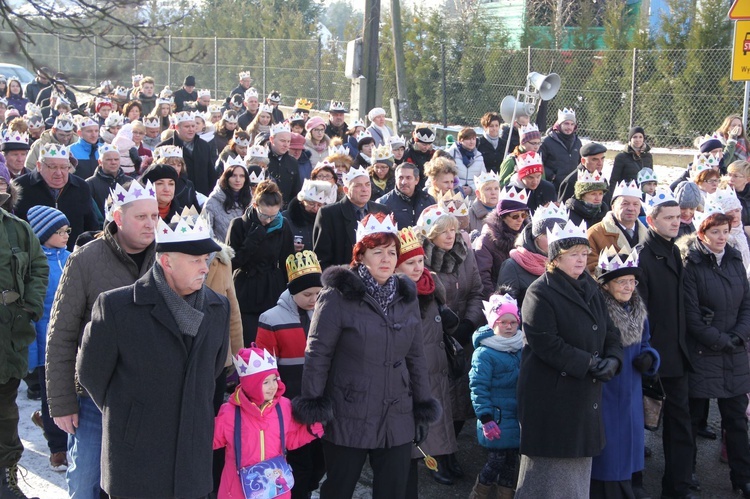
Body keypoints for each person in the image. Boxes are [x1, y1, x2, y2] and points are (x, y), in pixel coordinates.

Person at [77, 214, 229, 498]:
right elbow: (92, 374)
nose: (205, 267)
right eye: (195, 260)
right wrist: (131, 415)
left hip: (191, 461)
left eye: (206, 258)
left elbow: (214, 370)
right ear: (166, 261)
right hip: (136, 460)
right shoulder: (116, 307)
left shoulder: (218, 306)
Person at [293, 212, 441, 499]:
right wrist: (314, 405)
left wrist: (422, 406)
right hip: (349, 410)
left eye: (391, 252)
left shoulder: (405, 294)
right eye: (377, 252)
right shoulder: (337, 296)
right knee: (339, 488)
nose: (386, 259)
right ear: (360, 256)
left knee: (393, 491)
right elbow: (318, 353)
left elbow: (416, 356)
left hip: (397, 411)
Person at [46, 181, 158, 498]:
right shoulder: (84, 261)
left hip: (149, 399)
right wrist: (63, 401)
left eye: (154, 216)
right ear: (118, 219)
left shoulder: (167, 258)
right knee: (85, 483)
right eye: (141, 217)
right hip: (94, 399)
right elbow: (62, 337)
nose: (151, 224)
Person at [514, 218, 623, 498]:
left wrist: (613, 359)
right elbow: (545, 342)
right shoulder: (540, 291)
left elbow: (609, 330)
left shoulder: (589, 287)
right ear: (556, 258)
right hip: (553, 397)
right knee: (548, 476)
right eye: (573, 254)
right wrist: (588, 363)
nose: (580, 259)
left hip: (583, 393)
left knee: (576, 475)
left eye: (584, 253)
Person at [678, 211, 750, 498]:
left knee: (735, 419)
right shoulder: (690, 264)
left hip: (733, 350)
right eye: (715, 232)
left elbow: (746, 304)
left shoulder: (734, 260)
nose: (721, 237)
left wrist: (738, 336)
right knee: (693, 417)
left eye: (725, 231)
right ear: (702, 234)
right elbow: (691, 315)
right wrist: (721, 340)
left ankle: (742, 476)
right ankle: (689, 473)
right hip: (702, 351)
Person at [637, 191, 697, 499]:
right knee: (638, 425)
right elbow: (639, 312)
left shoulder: (673, 251)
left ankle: (678, 487)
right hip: (653, 356)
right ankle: (631, 486)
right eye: (669, 218)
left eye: (679, 217)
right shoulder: (642, 256)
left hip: (676, 353)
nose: (677, 222)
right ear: (652, 221)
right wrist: (647, 353)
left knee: (680, 425)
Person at [416, 204, 484, 478]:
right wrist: (445, 326)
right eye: (443, 230)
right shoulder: (420, 258)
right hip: (432, 338)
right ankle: (436, 456)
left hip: (461, 338)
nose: (450, 235)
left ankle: (450, 451)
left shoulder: (465, 255)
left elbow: (476, 292)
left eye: (454, 229)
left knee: (458, 399)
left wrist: (468, 324)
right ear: (430, 233)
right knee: (437, 397)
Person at [591, 246, 661, 499]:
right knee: (608, 450)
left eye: (632, 281)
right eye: (621, 281)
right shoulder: (598, 310)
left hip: (631, 388)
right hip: (606, 388)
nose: (628, 287)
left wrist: (649, 357)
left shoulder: (637, 310)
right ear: (606, 285)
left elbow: (647, 343)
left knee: (629, 446)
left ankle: (628, 486)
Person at [256, 252, 326, 499]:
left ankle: (306, 489)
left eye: (318, 294)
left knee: (320, 462)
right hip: (290, 404)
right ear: (292, 291)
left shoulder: (325, 313)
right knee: (300, 463)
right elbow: (264, 366)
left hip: (321, 402)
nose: (313, 299)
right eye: (307, 294)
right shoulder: (272, 318)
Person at [392, 226, 459, 491]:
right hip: (413, 367)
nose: (418, 267)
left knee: (438, 418)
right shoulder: (395, 292)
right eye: (410, 263)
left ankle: (440, 458)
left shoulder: (431, 283)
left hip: (436, 361)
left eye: (421, 260)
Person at [213, 347, 323, 499]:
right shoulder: (230, 413)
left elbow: (290, 439)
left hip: (275, 488)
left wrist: (311, 430)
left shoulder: (284, 407)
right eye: (265, 382)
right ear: (251, 385)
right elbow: (210, 439)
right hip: (238, 489)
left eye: (274, 380)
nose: (273, 386)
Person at [0, 190, 48, 499]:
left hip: (8, 335)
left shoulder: (18, 228)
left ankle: (6, 479)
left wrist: (29, 307)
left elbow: (38, 267)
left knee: (5, 410)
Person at [25, 205, 71, 473]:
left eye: (67, 230)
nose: (65, 235)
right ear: (42, 234)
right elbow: (34, 312)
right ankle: (58, 448)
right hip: (46, 342)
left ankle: (57, 428)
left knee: (71, 392)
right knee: (52, 395)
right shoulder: (35, 264)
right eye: (58, 231)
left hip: (72, 340)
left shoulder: (72, 257)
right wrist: (32, 354)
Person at [469, 292, 523, 499]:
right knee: (495, 461)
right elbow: (478, 386)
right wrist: (485, 417)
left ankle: (506, 494)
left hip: (516, 416)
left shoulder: (520, 347)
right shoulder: (485, 353)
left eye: (513, 322)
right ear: (493, 323)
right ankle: (479, 492)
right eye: (503, 322)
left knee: (511, 463)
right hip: (496, 418)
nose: (509, 326)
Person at [227, 180, 294, 344]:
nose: (269, 220)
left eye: (274, 215)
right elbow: (231, 263)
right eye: (265, 215)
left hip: (272, 286)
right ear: (255, 205)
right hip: (246, 287)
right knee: (248, 338)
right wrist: (253, 239)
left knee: (271, 339)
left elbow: (287, 261)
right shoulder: (238, 225)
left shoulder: (282, 225)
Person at [13, 143, 99, 251]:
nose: (59, 173)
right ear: (39, 166)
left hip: (74, 257)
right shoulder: (20, 187)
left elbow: (91, 225)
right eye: (53, 167)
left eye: (64, 167)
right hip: (33, 259)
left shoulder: (81, 187)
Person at [312, 165, 390, 268]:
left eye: (367, 185)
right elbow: (322, 258)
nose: (364, 189)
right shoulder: (328, 214)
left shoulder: (382, 210)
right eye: (358, 185)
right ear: (346, 190)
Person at [498, 203, 568, 308]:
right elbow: (506, 311)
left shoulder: (571, 262)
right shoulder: (512, 266)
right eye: (548, 234)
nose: (555, 240)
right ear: (537, 237)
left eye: (560, 234)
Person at [473, 186, 530, 298]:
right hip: (500, 297)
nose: (520, 219)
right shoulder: (487, 240)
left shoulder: (529, 237)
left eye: (523, 215)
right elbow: (483, 276)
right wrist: (498, 300)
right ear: (502, 217)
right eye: (515, 216)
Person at [586, 180, 648, 272]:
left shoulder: (648, 235)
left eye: (635, 204)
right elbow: (590, 268)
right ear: (613, 207)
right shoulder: (595, 233)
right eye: (625, 204)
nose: (631, 208)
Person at [203, 156, 252, 243]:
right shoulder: (212, 202)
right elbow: (206, 231)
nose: (238, 180)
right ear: (226, 177)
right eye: (233, 176)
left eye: (241, 176)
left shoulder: (251, 200)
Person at [376, 162, 435, 231]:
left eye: (408, 178)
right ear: (395, 179)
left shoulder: (428, 200)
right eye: (400, 178)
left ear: (417, 180)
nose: (404, 182)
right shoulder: (384, 203)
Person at [85, 143, 136, 221]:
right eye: (109, 160)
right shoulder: (89, 184)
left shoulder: (130, 181)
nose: (113, 162)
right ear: (100, 162)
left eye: (116, 159)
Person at [283, 179, 337, 252]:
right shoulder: (285, 217)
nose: (315, 208)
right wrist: (289, 246)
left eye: (319, 205)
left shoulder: (328, 219)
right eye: (311, 204)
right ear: (302, 202)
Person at [538, 108, 582, 190]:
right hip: (552, 186)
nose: (569, 127)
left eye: (572, 124)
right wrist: (552, 176)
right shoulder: (546, 142)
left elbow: (580, 162)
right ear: (559, 124)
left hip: (572, 186)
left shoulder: (577, 142)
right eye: (566, 123)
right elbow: (539, 163)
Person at [609, 126, 654, 198]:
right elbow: (613, 180)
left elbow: (651, 178)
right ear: (630, 139)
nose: (638, 139)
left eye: (640, 137)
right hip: (627, 193)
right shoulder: (621, 157)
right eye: (635, 137)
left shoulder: (648, 156)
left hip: (645, 195)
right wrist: (610, 198)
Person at [266, 123, 301, 210]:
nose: (286, 145)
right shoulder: (262, 159)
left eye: (288, 141)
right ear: (272, 139)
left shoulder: (293, 162)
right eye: (282, 141)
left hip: (286, 210)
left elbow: (296, 189)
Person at [448, 127, 486, 197]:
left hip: (472, 197)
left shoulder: (479, 157)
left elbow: (483, 179)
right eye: (468, 139)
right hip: (454, 194)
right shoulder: (451, 153)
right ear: (460, 140)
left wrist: (472, 189)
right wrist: (457, 187)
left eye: (473, 139)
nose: (471, 142)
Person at [468, 171, 501, 236]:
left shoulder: (507, 212)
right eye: (488, 189)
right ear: (478, 193)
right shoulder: (470, 215)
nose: (493, 192)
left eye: (496, 188)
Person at [727, 160, 750, 226]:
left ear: (747, 180)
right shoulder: (724, 195)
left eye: (735, 176)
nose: (730, 179)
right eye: (729, 175)